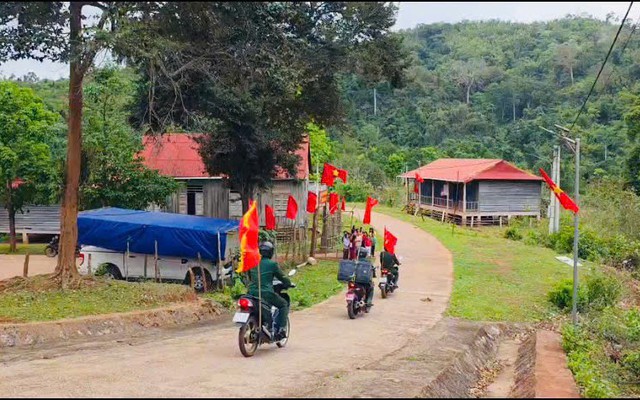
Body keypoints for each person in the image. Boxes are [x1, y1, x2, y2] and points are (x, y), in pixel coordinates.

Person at [246, 241, 292, 341]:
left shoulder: (252, 263)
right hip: (266, 293)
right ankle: (281, 330)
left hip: (251, 293)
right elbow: (282, 277)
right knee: (283, 304)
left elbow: (250, 277)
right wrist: (288, 283)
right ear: (271, 252)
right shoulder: (272, 264)